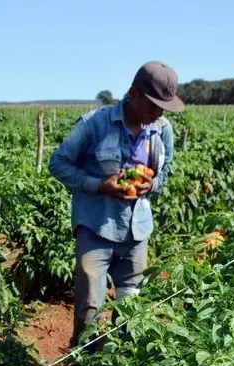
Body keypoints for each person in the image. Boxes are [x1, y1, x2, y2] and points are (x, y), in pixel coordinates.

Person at [48, 61, 183, 349]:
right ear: (133, 94)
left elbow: (167, 169)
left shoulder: (162, 130)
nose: (158, 113)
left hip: (137, 232)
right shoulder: (94, 124)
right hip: (96, 228)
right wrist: (100, 185)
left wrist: (153, 184)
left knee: (131, 307)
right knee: (90, 307)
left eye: (163, 107)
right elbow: (58, 164)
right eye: (153, 105)